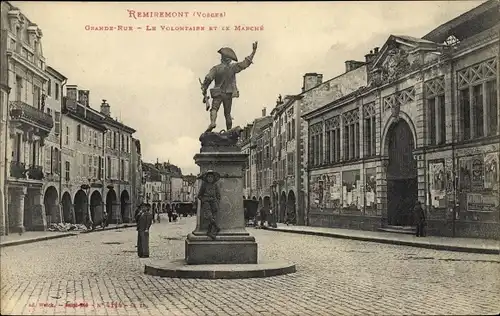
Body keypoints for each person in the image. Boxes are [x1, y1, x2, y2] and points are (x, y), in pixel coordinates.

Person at [201, 42, 258, 133]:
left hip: (218, 93)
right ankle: (229, 132)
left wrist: (204, 87)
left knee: (214, 109)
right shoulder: (233, 67)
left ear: (222, 58)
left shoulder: (216, 68)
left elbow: (208, 78)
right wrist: (253, 51)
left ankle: (212, 122)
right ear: (229, 60)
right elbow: (245, 63)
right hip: (228, 93)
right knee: (227, 114)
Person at [197, 170, 221, 240]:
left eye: (211, 177)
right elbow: (199, 195)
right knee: (209, 215)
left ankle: (211, 232)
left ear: (213, 178)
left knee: (214, 214)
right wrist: (203, 200)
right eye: (208, 177)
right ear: (206, 178)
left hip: (213, 202)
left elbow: (218, 195)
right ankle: (216, 227)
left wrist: (217, 201)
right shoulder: (204, 185)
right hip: (206, 202)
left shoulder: (215, 185)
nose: (210, 178)